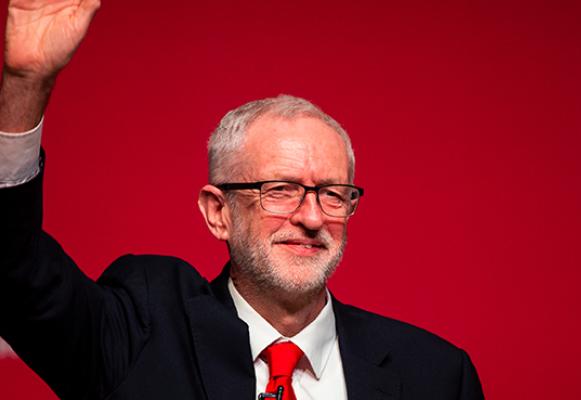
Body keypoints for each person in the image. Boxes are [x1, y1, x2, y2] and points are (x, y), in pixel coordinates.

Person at [0, 1, 484, 399]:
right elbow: (14, 271)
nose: (313, 217)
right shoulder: (142, 330)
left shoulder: (437, 375)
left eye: (333, 195)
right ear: (218, 212)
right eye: (281, 190)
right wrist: (26, 84)